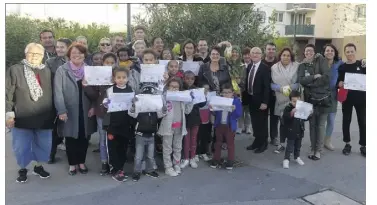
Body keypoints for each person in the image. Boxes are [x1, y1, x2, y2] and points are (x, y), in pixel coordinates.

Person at [6, 43, 56, 183]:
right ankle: (23, 169)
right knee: (21, 146)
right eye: (31, 53)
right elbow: (7, 93)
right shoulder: (15, 70)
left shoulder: (47, 71)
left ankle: (37, 167)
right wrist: (9, 114)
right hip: (23, 116)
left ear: (42, 56)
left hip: (44, 116)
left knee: (42, 145)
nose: (34, 56)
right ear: (25, 53)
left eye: (38, 54)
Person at [54, 43, 97, 175]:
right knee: (71, 137)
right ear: (69, 55)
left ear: (85, 55)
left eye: (80, 53)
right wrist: (61, 110)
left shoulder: (90, 70)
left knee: (84, 137)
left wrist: (94, 106)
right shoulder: (62, 70)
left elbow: (97, 92)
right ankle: (72, 164)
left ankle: (82, 162)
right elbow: (58, 92)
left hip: (86, 109)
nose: (77, 55)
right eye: (74, 53)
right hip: (69, 110)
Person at [298, 44, 330, 160]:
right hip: (309, 99)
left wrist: (311, 84)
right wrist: (314, 77)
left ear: (314, 52)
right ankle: (312, 148)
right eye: (307, 51)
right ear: (304, 53)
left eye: (311, 51)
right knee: (312, 125)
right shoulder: (302, 65)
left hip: (322, 99)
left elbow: (326, 77)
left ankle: (319, 150)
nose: (309, 53)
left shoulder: (320, 60)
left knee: (320, 126)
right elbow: (301, 80)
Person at [87, 52, 118, 175]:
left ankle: (114, 163)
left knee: (115, 139)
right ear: (103, 63)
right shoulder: (98, 76)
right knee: (103, 138)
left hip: (116, 113)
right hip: (102, 113)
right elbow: (94, 95)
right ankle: (104, 162)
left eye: (112, 62)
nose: (109, 65)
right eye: (107, 62)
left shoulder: (120, 75)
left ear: (116, 63)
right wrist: (86, 84)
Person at [101, 67, 134, 182]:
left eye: (123, 77)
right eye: (118, 77)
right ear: (114, 78)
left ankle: (121, 168)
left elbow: (133, 105)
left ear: (127, 78)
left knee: (123, 146)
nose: (121, 80)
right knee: (113, 147)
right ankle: (115, 169)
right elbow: (105, 103)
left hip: (126, 123)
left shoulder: (130, 89)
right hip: (113, 124)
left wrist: (135, 103)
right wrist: (106, 103)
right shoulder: (110, 90)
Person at [129, 86, 166, 182]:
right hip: (140, 135)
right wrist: (133, 104)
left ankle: (149, 170)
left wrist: (163, 104)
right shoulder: (140, 108)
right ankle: (137, 171)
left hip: (151, 135)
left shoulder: (155, 109)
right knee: (138, 156)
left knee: (150, 155)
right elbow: (132, 113)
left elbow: (161, 114)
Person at [45, 38, 73, 164]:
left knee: (70, 128)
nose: (59, 49)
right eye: (57, 47)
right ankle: (51, 154)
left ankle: (72, 155)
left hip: (72, 99)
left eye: (62, 47)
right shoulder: (50, 62)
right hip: (55, 97)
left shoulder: (74, 61)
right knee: (55, 129)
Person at [159, 78, 194, 177]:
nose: (174, 89)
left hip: (180, 126)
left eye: (176, 87)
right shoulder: (164, 97)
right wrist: (163, 109)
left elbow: (187, 111)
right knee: (167, 148)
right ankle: (168, 167)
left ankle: (176, 164)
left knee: (178, 147)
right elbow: (159, 113)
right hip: (167, 127)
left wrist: (191, 100)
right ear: (168, 87)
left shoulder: (182, 98)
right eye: (172, 86)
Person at [337, 43, 366, 157]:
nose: (350, 53)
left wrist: (365, 60)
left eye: (351, 51)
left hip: (361, 98)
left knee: (362, 122)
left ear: (355, 51)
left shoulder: (362, 65)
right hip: (347, 98)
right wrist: (339, 84)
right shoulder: (342, 67)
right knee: (346, 121)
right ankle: (347, 144)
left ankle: (363, 145)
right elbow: (338, 82)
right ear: (345, 53)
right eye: (347, 52)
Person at [270, 47, 300, 154]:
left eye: (288, 55)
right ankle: (282, 143)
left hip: (294, 98)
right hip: (280, 98)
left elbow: (299, 82)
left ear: (291, 57)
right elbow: (271, 84)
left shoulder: (297, 66)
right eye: (284, 55)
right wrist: (281, 89)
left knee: (294, 123)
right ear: (280, 56)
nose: (286, 57)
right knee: (282, 123)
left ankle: (293, 144)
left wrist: (289, 88)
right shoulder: (274, 67)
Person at [209, 83, 242, 170]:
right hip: (219, 125)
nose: (226, 94)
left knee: (230, 144)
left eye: (228, 92)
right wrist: (211, 108)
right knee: (218, 143)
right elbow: (214, 112)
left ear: (232, 93)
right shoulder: (219, 100)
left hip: (229, 126)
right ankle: (216, 159)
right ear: (221, 93)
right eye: (224, 92)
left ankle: (230, 161)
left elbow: (238, 115)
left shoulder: (236, 101)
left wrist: (234, 110)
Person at [245, 47, 270, 154]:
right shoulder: (249, 66)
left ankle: (263, 143)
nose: (255, 55)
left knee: (262, 123)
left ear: (261, 55)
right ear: (250, 55)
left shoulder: (265, 68)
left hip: (261, 101)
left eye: (257, 53)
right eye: (253, 53)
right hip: (251, 99)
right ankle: (257, 141)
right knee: (255, 122)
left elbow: (267, 87)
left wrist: (265, 102)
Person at [180, 71, 206, 169]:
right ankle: (186, 158)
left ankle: (192, 157)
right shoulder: (181, 89)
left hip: (195, 118)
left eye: (192, 79)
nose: (189, 80)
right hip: (185, 118)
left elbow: (202, 104)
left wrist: (204, 97)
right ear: (184, 78)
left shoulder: (197, 90)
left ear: (194, 79)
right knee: (186, 139)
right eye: (187, 78)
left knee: (194, 139)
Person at [322, 44, 343, 151]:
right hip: (320, 95)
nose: (329, 52)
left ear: (334, 53)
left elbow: (349, 67)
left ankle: (327, 140)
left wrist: (363, 61)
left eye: (331, 50)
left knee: (331, 119)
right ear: (324, 52)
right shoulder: (320, 63)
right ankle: (318, 140)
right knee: (320, 120)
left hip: (333, 95)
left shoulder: (339, 63)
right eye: (327, 50)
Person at [281, 91, 309, 169]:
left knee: (298, 146)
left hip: (300, 130)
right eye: (294, 101)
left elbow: (305, 118)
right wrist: (291, 113)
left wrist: (310, 114)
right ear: (290, 101)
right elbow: (285, 118)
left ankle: (297, 157)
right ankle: (286, 159)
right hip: (291, 131)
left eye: (298, 101)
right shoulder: (288, 108)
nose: (296, 103)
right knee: (290, 146)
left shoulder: (302, 108)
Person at [262, 42, 279, 146]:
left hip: (275, 95)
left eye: (273, 49)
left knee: (274, 117)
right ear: (265, 50)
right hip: (264, 95)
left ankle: (274, 137)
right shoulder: (261, 63)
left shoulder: (278, 63)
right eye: (269, 49)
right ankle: (263, 137)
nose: (271, 51)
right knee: (263, 117)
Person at [238, 47, 252, 134]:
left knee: (248, 111)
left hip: (250, 92)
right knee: (240, 110)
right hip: (240, 91)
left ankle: (248, 127)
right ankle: (240, 127)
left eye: (248, 54)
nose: (246, 56)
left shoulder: (253, 66)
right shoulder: (239, 66)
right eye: (245, 55)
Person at [197, 84, 212, 161]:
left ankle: (203, 152)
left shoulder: (210, 96)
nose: (206, 90)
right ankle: (196, 153)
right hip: (199, 119)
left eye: (207, 89)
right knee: (198, 137)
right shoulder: (198, 96)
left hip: (207, 119)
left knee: (205, 137)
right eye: (204, 88)